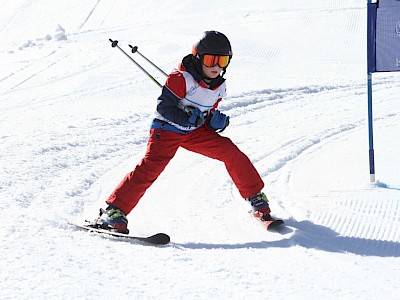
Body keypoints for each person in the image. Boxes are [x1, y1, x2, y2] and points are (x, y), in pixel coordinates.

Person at [91, 31, 273, 234]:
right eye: (211, 60)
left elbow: (206, 112)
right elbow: (164, 108)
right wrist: (185, 118)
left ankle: (256, 198)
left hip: (193, 133)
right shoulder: (180, 79)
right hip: (166, 130)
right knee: (150, 168)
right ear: (198, 58)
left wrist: (213, 121)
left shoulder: (220, 87)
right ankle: (113, 212)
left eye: (222, 61)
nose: (216, 67)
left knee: (229, 151)